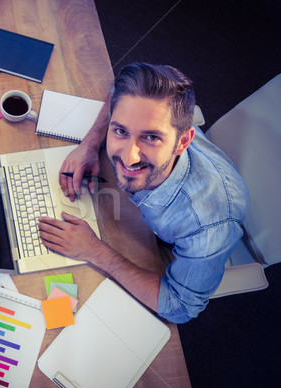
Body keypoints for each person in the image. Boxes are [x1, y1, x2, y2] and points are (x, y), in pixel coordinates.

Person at [38, 63, 249, 323]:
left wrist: (95, 251)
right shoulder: (145, 101)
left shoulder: (207, 226)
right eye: (120, 131)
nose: (129, 156)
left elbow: (180, 308)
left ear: (183, 141)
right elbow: (116, 92)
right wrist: (90, 144)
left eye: (151, 137)